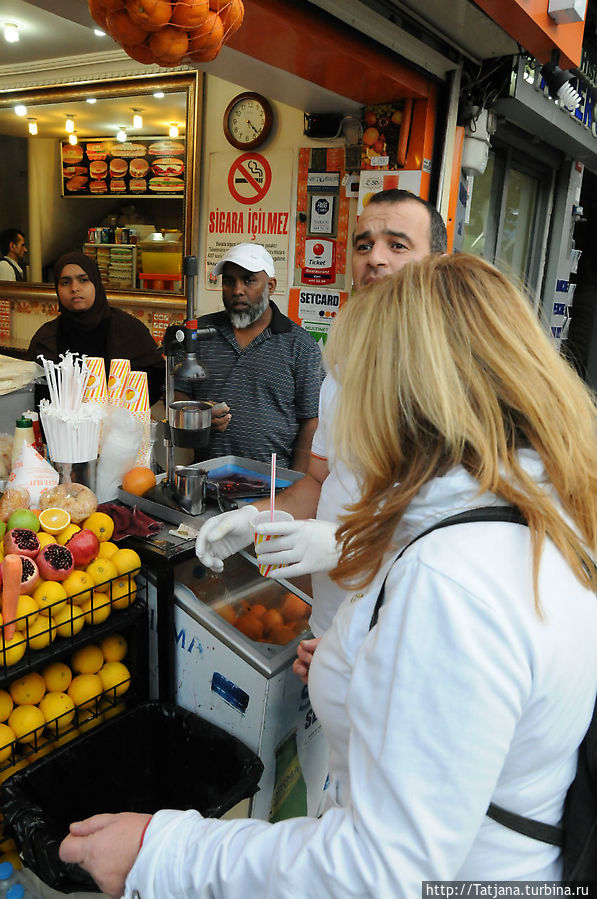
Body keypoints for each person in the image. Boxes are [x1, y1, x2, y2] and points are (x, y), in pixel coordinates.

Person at [59, 254, 597, 894]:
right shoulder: (545, 511)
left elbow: (374, 873)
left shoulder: (455, 588)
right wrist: (360, 653)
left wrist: (163, 852)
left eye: (356, 380)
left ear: (409, 394)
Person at [196, 190, 448, 636]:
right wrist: (257, 518)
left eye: (399, 245)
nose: (376, 259)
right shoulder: (346, 368)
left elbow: (454, 534)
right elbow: (320, 480)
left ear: (439, 262)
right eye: (364, 245)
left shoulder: (454, 378)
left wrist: (341, 545)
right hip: (334, 622)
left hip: (403, 634)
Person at [175, 242, 322, 471]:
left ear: (270, 285)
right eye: (228, 281)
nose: (237, 290)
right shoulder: (199, 333)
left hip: (272, 484)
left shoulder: (300, 345)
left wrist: (297, 482)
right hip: (206, 475)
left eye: (249, 280)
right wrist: (199, 415)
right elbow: (178, 392)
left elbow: (311, 421)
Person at [26, 251, 164, 405]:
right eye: (65, 282)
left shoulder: (127, 329)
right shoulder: (47, 337)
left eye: (83, 280)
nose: (74, 288)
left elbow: (154, 378)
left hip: (120, 424)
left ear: (96, 283)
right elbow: (36, 394)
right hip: (62, 427)